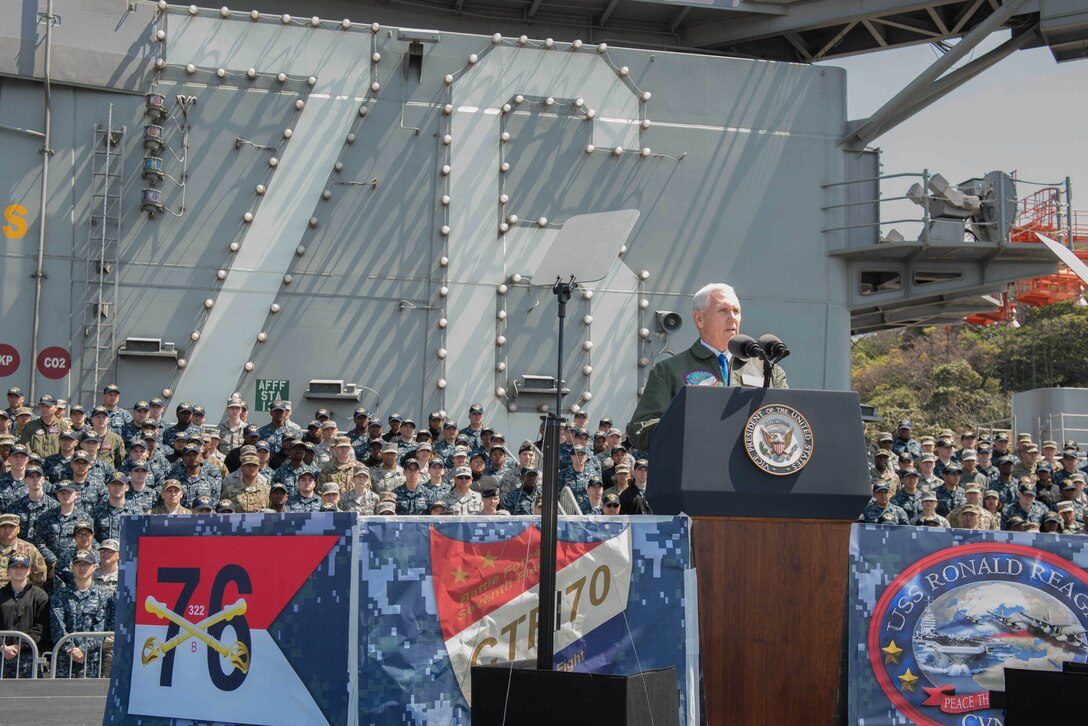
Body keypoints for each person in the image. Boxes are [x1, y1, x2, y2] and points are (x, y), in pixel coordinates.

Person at [627, 283, 788, 450]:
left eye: (736, 311)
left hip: (753, 469)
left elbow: (786, 420)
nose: (732, 317)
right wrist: (690, 425)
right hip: (696, 468)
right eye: (723, 310)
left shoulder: (769, 371)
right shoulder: (668, 370)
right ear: (699, 319)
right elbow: (641, 430)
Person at [50, 550, 113, 678]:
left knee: (89, 698)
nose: (82, 568)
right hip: (65, 660)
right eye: (78, 564)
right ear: (72, 567)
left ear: (94, 567)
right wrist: (70, 649)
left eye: (86, 564)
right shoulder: (60, 595)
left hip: (91, 661)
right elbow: (57, 626)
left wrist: (83, 649)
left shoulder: (104, 596)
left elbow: (101, 628)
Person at [0, 553, 49, 678]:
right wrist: (2, 646)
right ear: (8, 571)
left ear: (29, 571)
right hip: (1, 655)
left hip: (29, 657)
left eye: (23, 567)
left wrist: (18, 645)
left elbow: (41, 628)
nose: (19, 570)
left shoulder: (39, 595)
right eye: (15, 567)